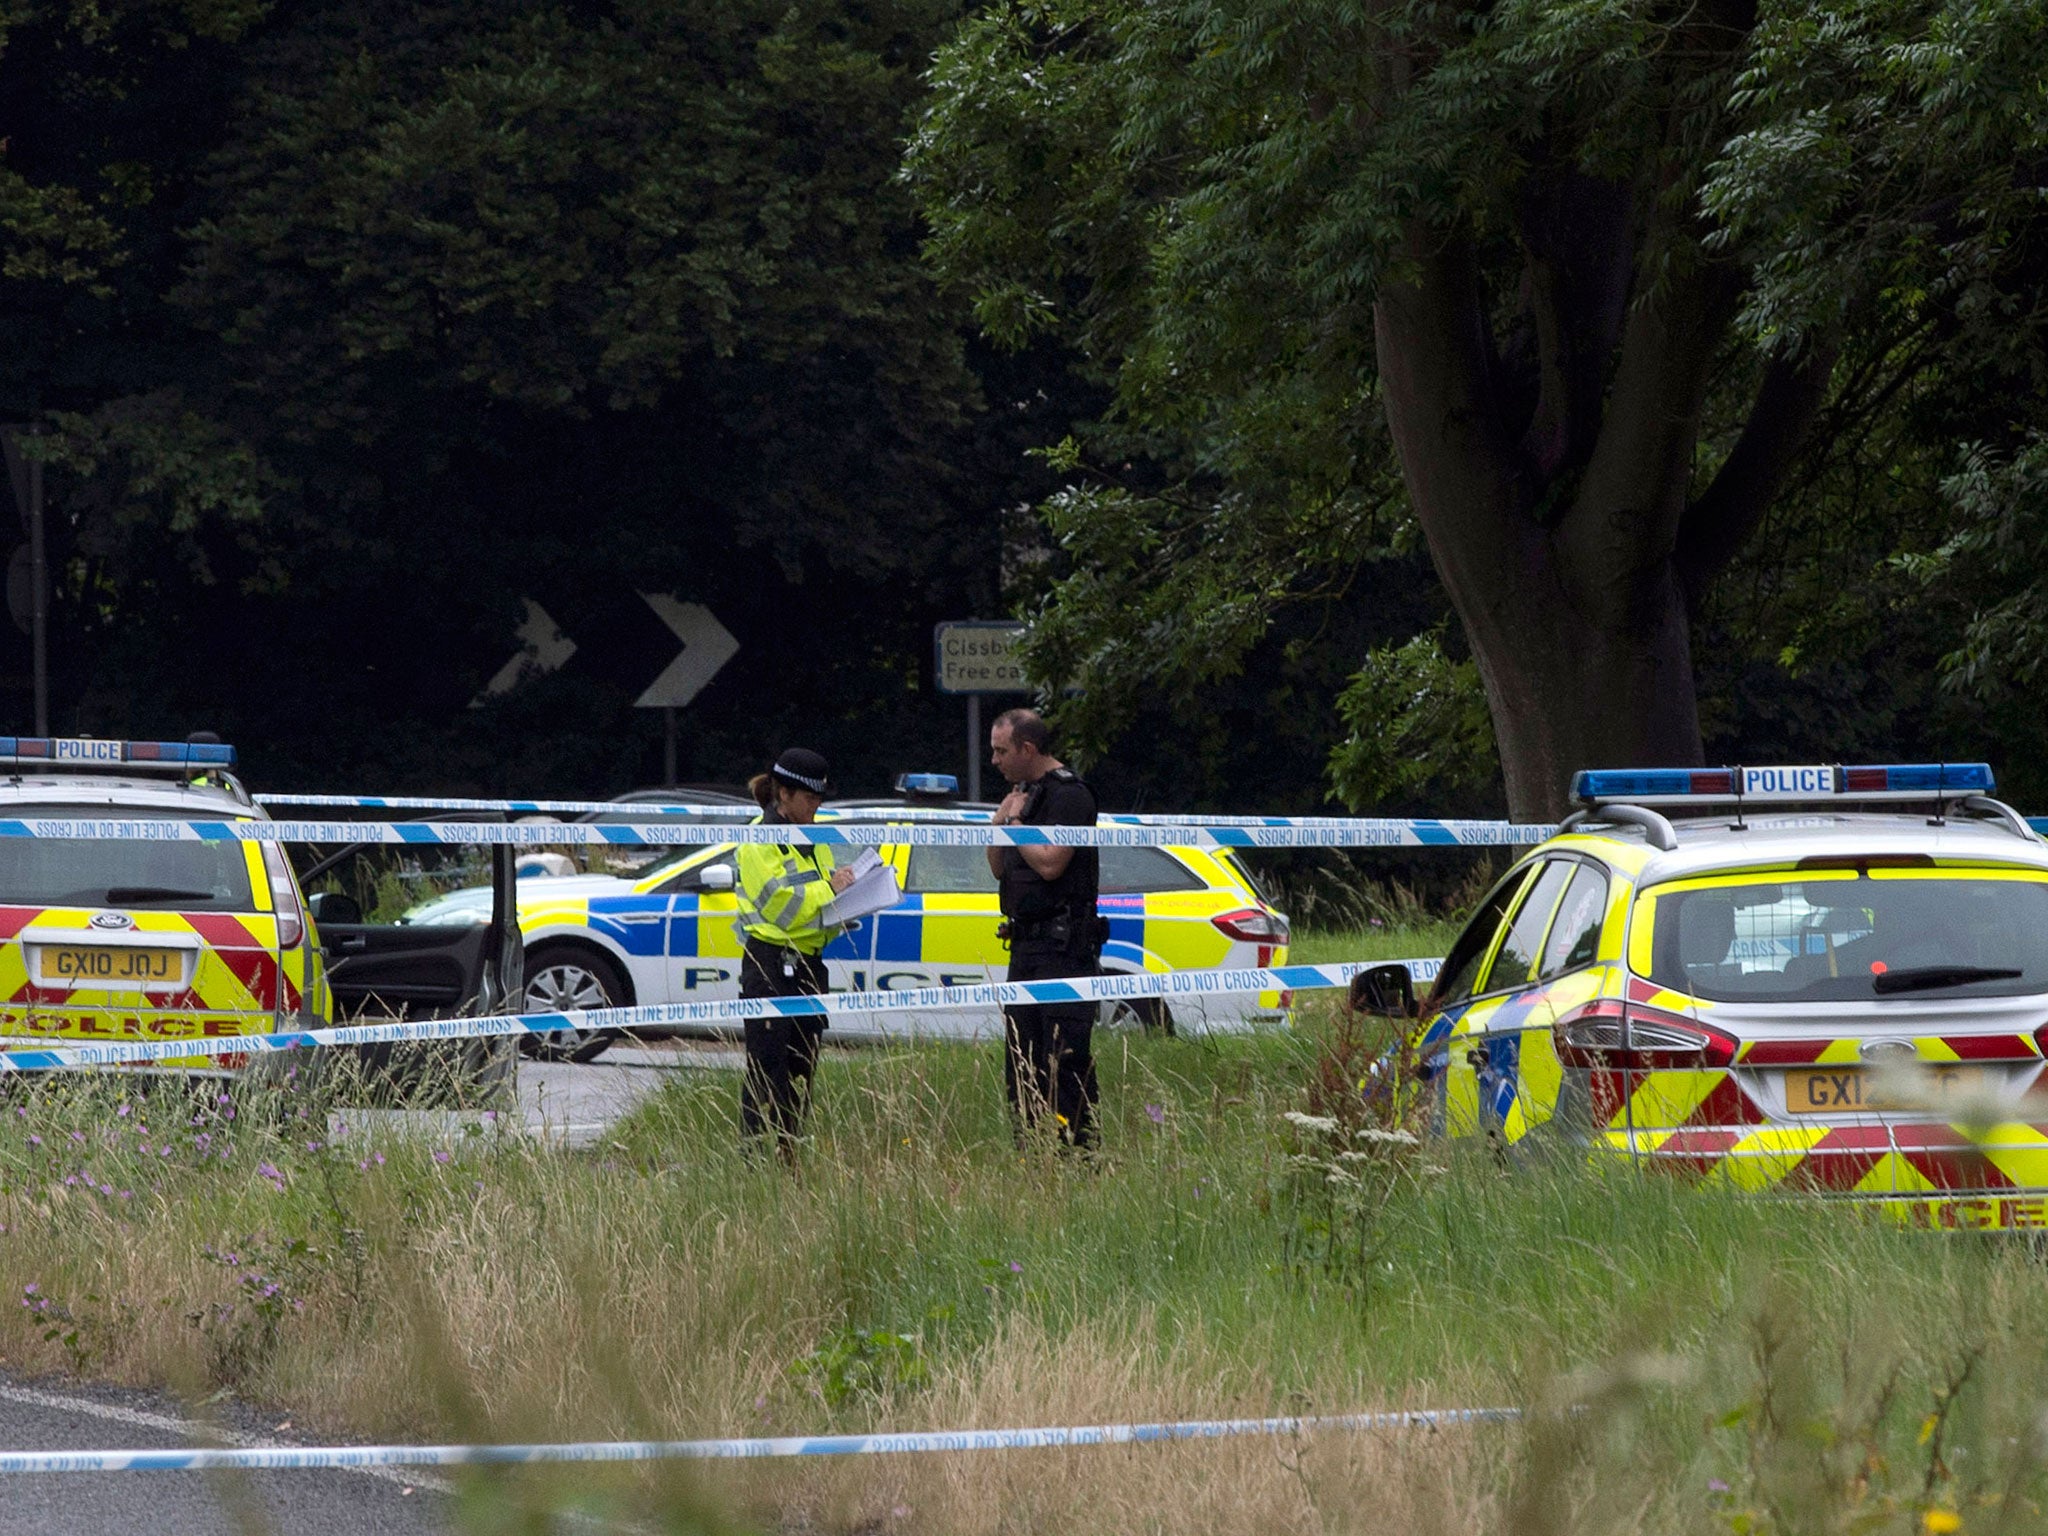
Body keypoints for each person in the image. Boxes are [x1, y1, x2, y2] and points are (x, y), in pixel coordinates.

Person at [985, 708, 1104, 1148]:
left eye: (1001, 750)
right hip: (1025, 946)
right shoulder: (1021, 793)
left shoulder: (1069, 796)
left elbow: (1053, 863)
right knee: (1021, 1061)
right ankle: (1031, 1156)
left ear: (1028, 749)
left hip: (1064, 947)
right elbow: (998, 867)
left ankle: (1079, 1157)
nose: (994, 760)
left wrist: (1016, 823)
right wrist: (999, 824)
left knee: (1064, 1059)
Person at [736, 748, 855, 1152]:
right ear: (783, 794)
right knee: (766, 1069)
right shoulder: (758, 840)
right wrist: (832, 890)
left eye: (820, 799)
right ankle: (754, 1158)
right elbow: (783, 908)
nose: (816, 807)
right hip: (769, 963)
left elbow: (817, 907)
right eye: (809, 799)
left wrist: (848, 908)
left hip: (808, 965)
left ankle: (791, 1154)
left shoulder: (814, 839)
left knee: (802, 1068)